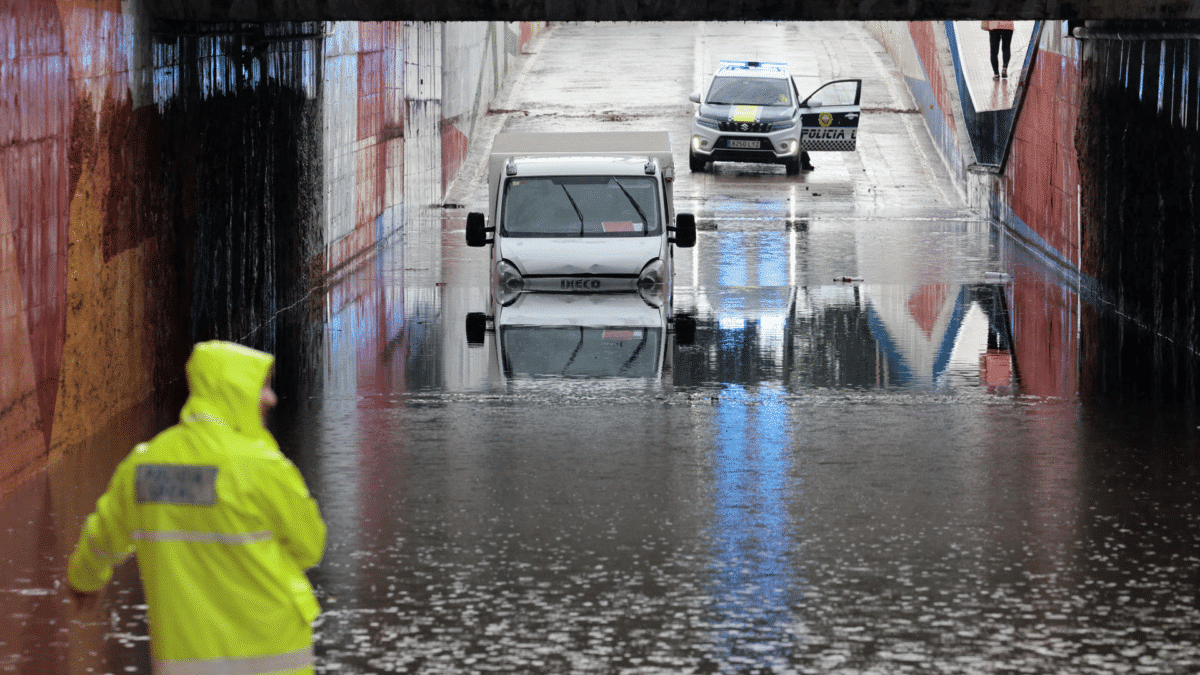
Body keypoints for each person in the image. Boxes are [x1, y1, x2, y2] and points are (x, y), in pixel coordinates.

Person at [67, 340, 327, 675]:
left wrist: (84, 580)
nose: (271, 398)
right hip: (274, 654)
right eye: (261, 386)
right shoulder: (263, 468)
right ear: (234, 390)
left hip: (185, 658)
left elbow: (102, 537)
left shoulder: (145, 466)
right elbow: (309, 548)